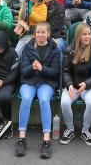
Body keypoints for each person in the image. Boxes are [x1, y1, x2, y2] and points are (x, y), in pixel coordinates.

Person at [15, 22, 61, 159]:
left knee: (44, 99)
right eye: (38, 32)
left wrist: (42, 69)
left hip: (46, 82)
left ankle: (46, 141)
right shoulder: (27, 47)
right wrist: (32, 67)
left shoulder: (55, 49)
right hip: (29, 81)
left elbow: (55, 72)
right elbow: (23, 71)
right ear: (35, 33)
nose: (40, 34)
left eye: (43, 32)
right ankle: (21, 139)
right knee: (26, 98)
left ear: (48, 34)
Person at [60, 22, 91, 146]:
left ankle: (85, 130)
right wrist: (69, 85)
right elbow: (65, 71)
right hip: (73, 85)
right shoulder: (69, 50)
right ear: (78, 36)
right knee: (64, 102)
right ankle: (70, 129)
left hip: (88, 86)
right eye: (84, 34)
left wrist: (86, 84)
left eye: (89, 34)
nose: (87, 37)